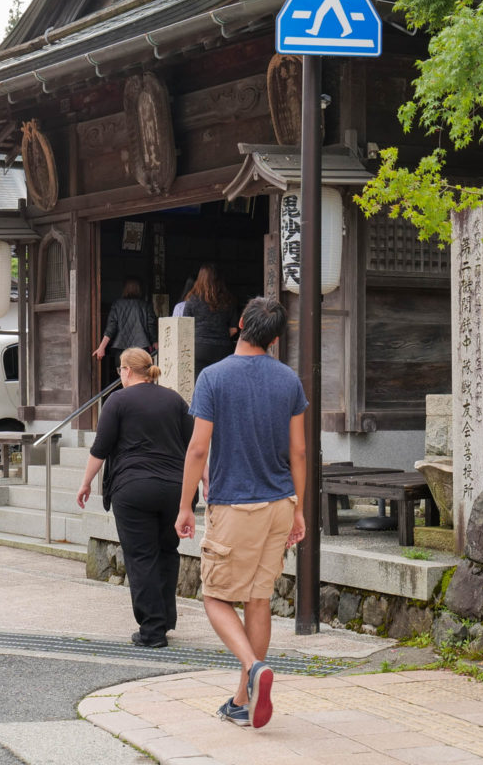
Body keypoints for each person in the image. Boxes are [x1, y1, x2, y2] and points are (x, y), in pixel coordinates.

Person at [175, 297, 307, 729]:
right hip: (280, 502)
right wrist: (300, 509)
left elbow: (198, 448)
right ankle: (241, 700)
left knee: (214, 596)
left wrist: (185, 505)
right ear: (273, 338)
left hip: (235, 504)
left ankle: (253, 668)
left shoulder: (214, 377)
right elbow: (300, 451)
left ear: (239, 325)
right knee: (259, 598)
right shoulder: (289, 380)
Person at [77, 347, 194, 648]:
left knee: (142, 556)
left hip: (133, 490)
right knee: (167, 551)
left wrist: (86, 482)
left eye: (119, 370)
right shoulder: (174, 400)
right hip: (174, 489)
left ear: (127, 371)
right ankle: (165, 619)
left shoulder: (117, 401)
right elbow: (194, 447)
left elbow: (100, 448)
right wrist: (202, 484)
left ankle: (152, 631)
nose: (120, 374)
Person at [181, 264, 238, 378]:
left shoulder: (191, 299)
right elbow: (234, 329)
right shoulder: (228, 300)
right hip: (222, 349)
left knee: (199, 384)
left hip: (198, 348)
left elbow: (184, 327)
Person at [93, 278, 158, 376]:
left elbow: (111, 327)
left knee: (124, 380)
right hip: (141, 349)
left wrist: (101, 347)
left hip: (121, 350)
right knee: (140, 379)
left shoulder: (117, 305)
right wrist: (155, 343)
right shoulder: (146, 305)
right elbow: (151, 326)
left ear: (124, 289)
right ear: (140, 290)